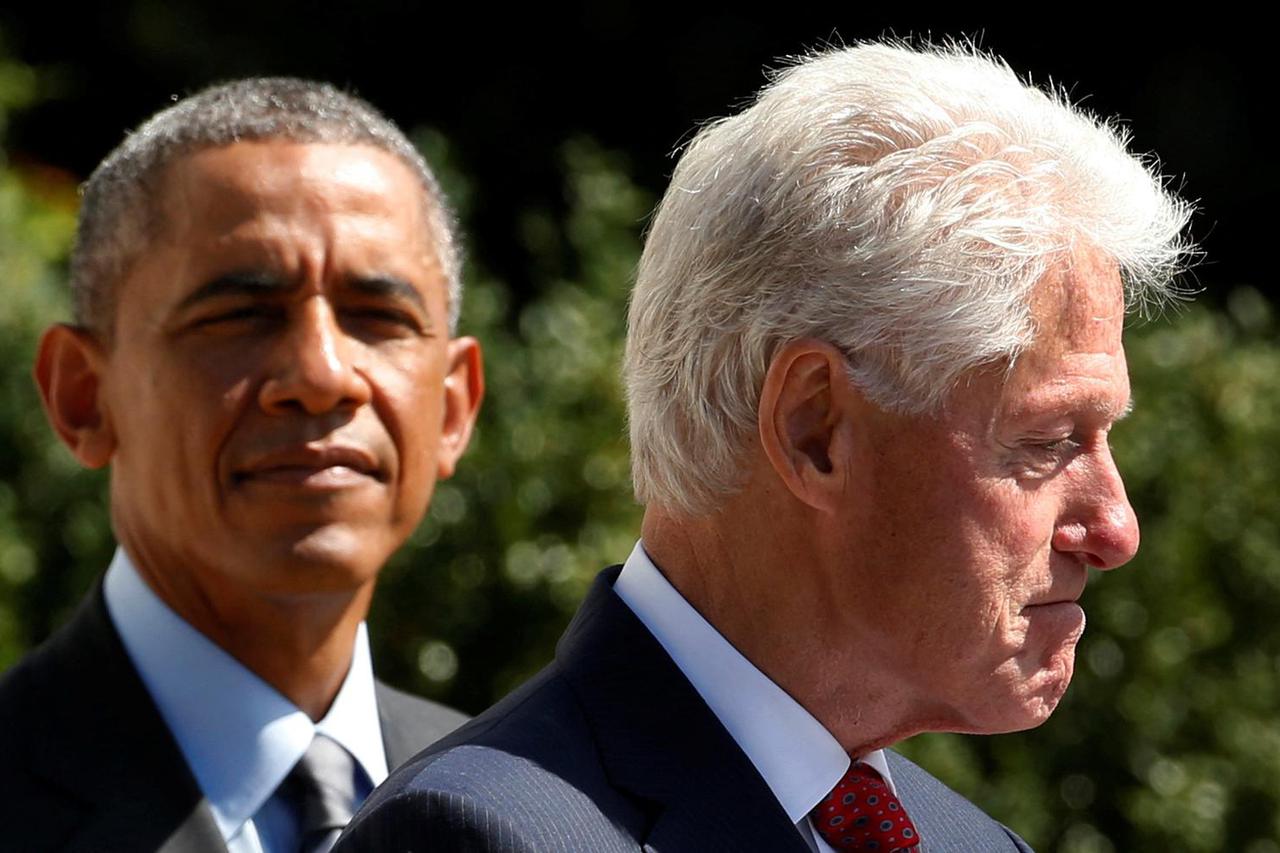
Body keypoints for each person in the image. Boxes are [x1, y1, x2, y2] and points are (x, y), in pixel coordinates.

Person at [338, 42, 1194, 853]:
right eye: (1048, 440)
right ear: (813, 428)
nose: (1116, 528)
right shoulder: (485, 834)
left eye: (1103, 437)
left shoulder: (972, 841)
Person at [0, 78, 484, 852]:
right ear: (83, 397)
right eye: (240, 315)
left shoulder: (537, 803)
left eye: (379, 317)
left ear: (454, 408)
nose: (322, 373)